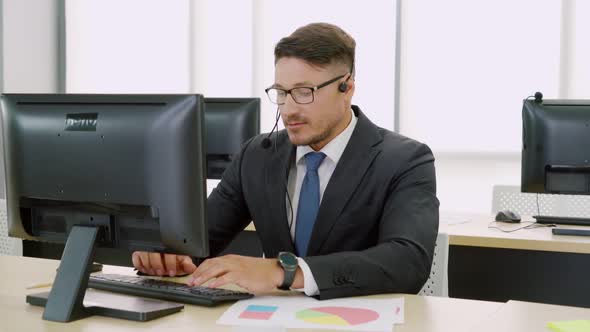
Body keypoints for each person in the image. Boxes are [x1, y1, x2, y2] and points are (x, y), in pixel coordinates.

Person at [133, 22, 439, 300]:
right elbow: (200, 241)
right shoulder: (257, 155)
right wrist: (168, 255)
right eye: (281, 92)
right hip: (276, 320)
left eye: (304, 92)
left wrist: (285, 272)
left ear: (347, 88)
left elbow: (407, 263)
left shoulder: (405, 159)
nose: (289, 109)